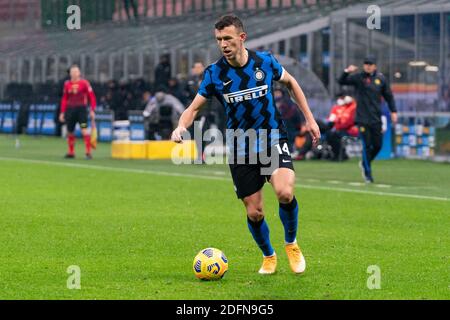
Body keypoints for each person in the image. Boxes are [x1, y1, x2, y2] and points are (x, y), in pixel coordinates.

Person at [171, 15, 320, 275]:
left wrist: (310, 119)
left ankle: (291, 243)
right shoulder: (214, 73)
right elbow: (193, 108)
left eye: (227, 38)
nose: (223, 44)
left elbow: (291, 84)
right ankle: (268, 256)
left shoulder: (265, 62)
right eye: (218, 40)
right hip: (241, 147)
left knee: (285, 192)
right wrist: (181, 126)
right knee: (255, 213)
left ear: (242, 38)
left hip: (272, 138)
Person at [338, 55, 397, 183]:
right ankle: (368, 174)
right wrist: (347, 71)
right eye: (366, 64)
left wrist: (393, 111)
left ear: (375, 66)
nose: (368, 66)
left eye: (370, 64)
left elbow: (389, 96)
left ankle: (365, 162)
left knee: (377, 145)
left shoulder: (381, 79)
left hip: (376, 118)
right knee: (366, 145)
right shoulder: (358, 78)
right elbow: (341, 81)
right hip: (362, 118)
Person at [59, 64, 96, 160]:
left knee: (84, 129)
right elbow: (64, 98)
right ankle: (71, 152)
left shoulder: (84, 83)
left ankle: (88, 152)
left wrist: (92, 110)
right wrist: (62, 112)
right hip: (70, 111)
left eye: (76, 71)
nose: (74, 73)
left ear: (79, 73)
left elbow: (91, 97)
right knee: (70, 131)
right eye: (72, 72)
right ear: (70, 73)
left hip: (81, 111)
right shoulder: (67, 84)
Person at [326, 94, 358, 161]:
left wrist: (337, 127)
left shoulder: (353, 107)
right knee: (329, 134)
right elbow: (332, 119)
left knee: (333, 135)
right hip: (339, 129)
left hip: (349, 130)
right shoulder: (339, 108)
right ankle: (338, 155)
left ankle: (340, 155)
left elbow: (349, 122)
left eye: (342, 98)